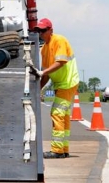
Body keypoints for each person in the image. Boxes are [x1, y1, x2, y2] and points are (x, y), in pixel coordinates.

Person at [30, 18, 79, 159]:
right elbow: (46, 72)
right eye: (38, 31)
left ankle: (57, 151)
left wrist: (43, 72)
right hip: (61, 84)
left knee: (57, 113)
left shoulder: (59, 40)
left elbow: (61, 62)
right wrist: (37, 89)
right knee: (63, 115)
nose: (40, 33)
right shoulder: (44, 49)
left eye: (43, 30)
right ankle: (63, 149)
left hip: (68, 82)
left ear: (51, 30)